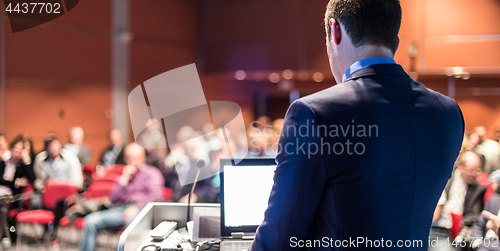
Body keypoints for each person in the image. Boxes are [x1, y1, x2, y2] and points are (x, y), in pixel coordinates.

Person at [250, 0, 464, 250]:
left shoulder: (313, 112)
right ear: (395, 42)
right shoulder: (448, 113)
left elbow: (279, 236)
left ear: (335, 30)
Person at [79, 143, 164, 251]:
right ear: (125, 159)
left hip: (143, 212)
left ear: (143, 158)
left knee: (131, 223)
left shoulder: (152, 173)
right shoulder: (125, 174)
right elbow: (113, 199)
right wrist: (123, 180)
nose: (133, 160)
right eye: (129, 157)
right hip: (122, 209)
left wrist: (136, 207)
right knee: (90, 221)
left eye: (136, 157)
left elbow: (156, 196)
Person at [433, 151, 486, 241]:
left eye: (477, 170)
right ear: (460, 166)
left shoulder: (479, 189)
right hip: (438, 224)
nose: (474, 174)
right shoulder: (446, 178)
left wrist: (460, 222)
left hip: (459, 230)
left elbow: (475, 214)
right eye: (471, 170)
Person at [32, 134, 83, 208]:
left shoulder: (71, 158)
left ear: (60, 146)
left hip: (67, 193)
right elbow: (38, 179)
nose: (53, 149)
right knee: (35, 202)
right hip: (46, 192)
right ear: (46, 148)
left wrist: (59, 188)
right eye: (50, 147)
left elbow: (78, 182)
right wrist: (43, 188)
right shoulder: (40, 159)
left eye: (55, 145)